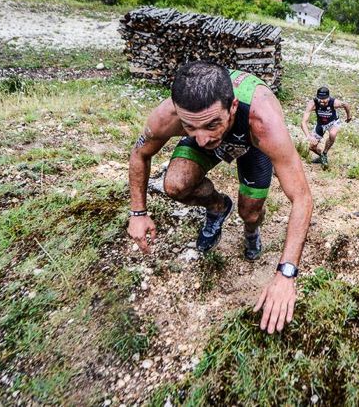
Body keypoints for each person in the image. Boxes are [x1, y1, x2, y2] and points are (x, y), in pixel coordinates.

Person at [128, 61, 313, 333]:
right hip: (221, 128)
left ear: (233, 107)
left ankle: (251, 230)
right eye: (190, 127)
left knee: (249, 212)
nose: (202, 139)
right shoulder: (172, 115)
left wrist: (286, 274)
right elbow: (140, 153)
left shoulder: (263, 120)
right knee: (175, 185)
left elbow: (302, 197)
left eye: (212, 124)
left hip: (251, 142)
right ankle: (217, 207)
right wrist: (138, 213)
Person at [301, 87, 351, 167]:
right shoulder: (313, 103)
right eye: (320, 99)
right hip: (321, 124)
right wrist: (308, 136)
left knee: (332, 134)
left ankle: (325, 152)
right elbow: (303, 122)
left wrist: (349, 116)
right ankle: (322, 156)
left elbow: (346, 105)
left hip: (333, 122)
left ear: (329, 97)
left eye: (325, 99)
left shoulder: (334, 102)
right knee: (312, 147)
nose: (322, 101)